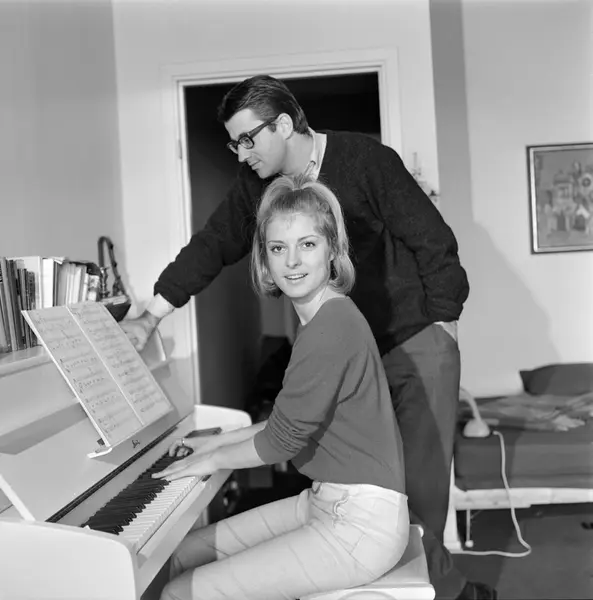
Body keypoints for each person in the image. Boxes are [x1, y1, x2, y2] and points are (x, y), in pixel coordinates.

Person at [122, 75, 496, 599]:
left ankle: (449, 592)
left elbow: (434, 240)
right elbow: (212, 244)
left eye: (247, 139)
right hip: (352, 350)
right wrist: (152, 315)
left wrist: (444, 323)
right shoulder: (259, 187)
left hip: (415, 341)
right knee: (372, 483)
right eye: (233, 143)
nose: (241, 153)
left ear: (282, 124)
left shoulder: (365, 159)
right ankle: (449, 589)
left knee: (421, 493)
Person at [153, 175, 410, 600]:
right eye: (277, 248)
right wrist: (213, 444)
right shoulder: (325, 318)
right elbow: (288, 423)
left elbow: (281, 442)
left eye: (307, 244)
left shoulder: (330, 329)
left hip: (361, 525)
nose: (292, 261)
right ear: (265, 259)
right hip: (327, 501)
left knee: (182, 592)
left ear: (333, 250)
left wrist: (212, 460)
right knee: (182, 555)